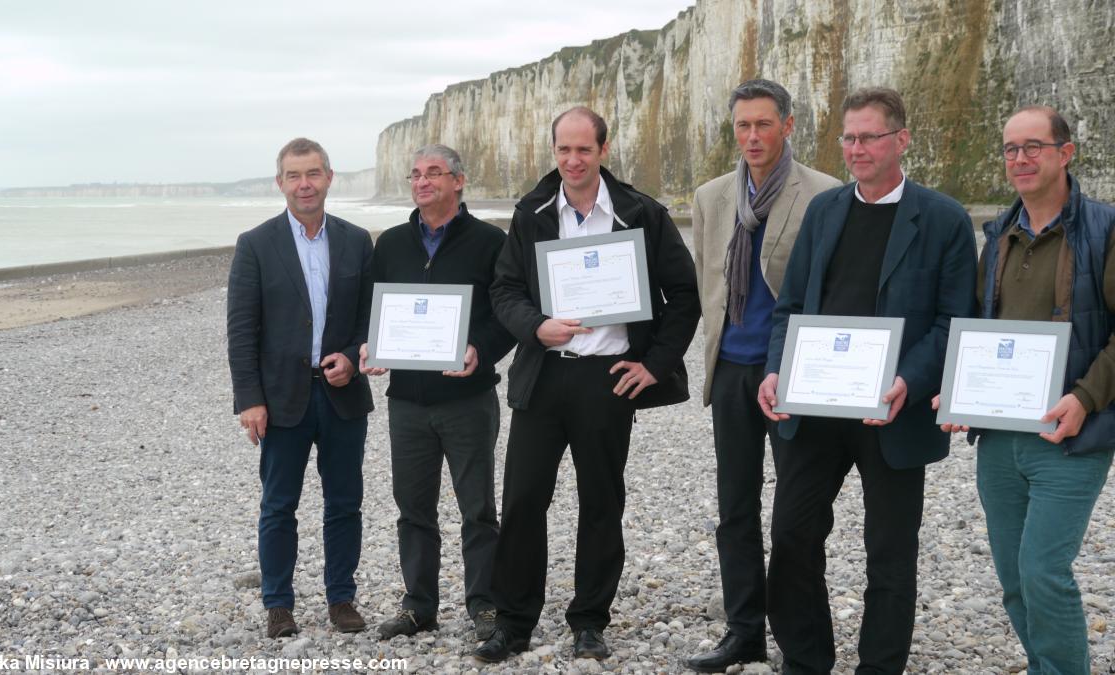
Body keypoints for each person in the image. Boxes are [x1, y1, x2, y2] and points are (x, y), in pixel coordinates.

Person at [756, 88, 976, 674]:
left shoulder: (945, 219)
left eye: (869, 137)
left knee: (890, 552)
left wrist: (908, 378)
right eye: (848, 138)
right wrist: (776, 368)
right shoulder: (823, 211)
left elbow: (954, 321)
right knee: (793, 535)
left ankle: (879, 667)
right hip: (816, 405)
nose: (856, 149)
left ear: (901, 140)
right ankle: (806, 661)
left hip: (893, 410)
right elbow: (790, 307)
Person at [475, 106, 700, 663]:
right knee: (524, 500)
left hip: (609, 379)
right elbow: (504, 290)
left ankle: (590, 621)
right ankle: (513, 622)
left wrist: (655, 365)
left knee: (601, 501)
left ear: (603, 150)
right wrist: (536, 327)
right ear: (553, 151)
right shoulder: (531, 213)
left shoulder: (641, 213)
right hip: (544, 374)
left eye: (583, 149)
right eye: (563, 150)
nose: (573, 160)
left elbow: (683, 295)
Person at [934, 106, 1115, 674]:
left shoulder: (1105, 229)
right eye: (1011, 149)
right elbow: (981, 329)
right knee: (1014, 578)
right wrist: (957, 391)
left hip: (1069, 436)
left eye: (1033, 146)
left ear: (1066, 153)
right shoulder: (998, 237)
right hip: (999, 437)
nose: (1020, 158)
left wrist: (1085, 398)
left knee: (1044, 572)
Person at [686, 79, 841, 673]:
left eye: (764, 124)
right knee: (735, 508)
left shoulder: (825, 194)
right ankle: (744, 631)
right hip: (731, 369)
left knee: (797, 517)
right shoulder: (712, 197)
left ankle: (802, 643)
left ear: (788, 126)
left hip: (795, 373)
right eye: (743, 126)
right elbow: (708, 279)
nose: (752, 136)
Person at [359, 143, 515, 641]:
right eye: (415, 174)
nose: (422, 182)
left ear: (458, 181)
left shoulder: (490, 242)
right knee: (413, 510)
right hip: (407, 402)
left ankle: (484, 606)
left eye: (434, 173)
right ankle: (419, 606)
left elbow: (508, 313)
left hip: (468, 399)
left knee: (478, 510)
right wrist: (369, 345)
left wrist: (480, 350)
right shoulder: (391, 244)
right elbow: (373, 310)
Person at [226, 138, 375, 638]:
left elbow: (369, 317)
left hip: (342, 394)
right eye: (294, 175)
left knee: (345, 503)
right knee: (278, 505)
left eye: (313, 173)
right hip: (280, 398)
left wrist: (352, 357)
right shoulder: (255, 244)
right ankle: (278, 604)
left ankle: (341, 599)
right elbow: (241, 330)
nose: (304, 184)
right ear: (280, 183)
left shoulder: (357, 240)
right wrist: (249, 400)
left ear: (329, 177)